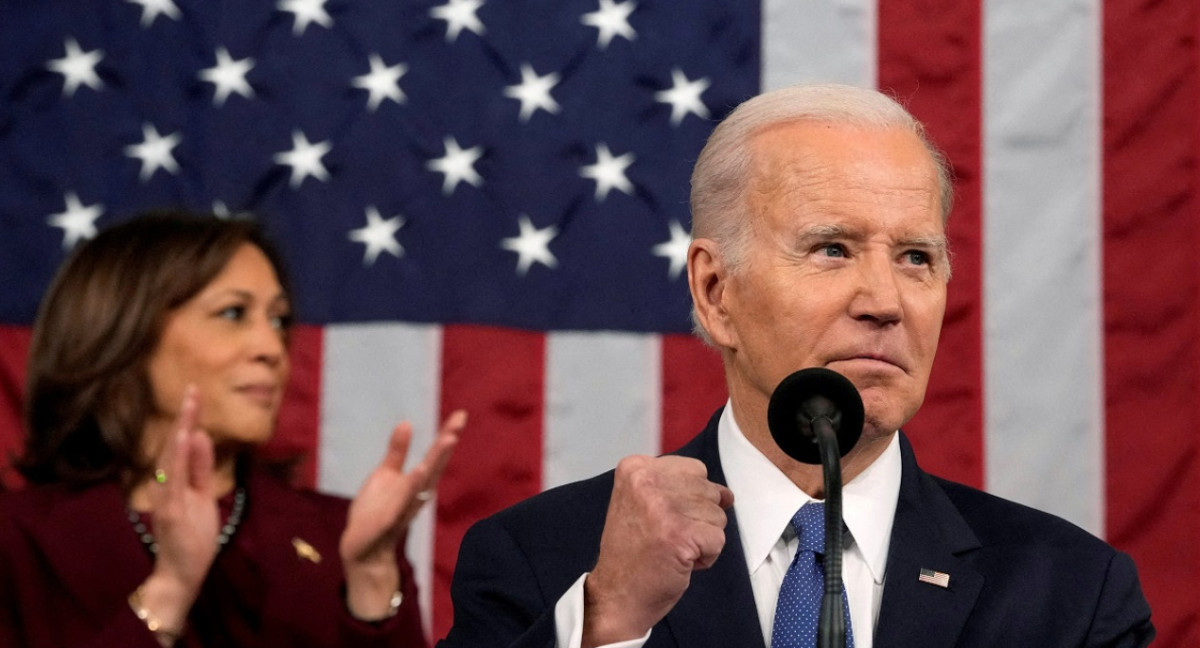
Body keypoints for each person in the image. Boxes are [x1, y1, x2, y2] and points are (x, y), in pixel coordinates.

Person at [438, 84, 1155, 648]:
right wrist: (609, 624)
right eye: (832, 249)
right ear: (716, 294)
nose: (885, 302)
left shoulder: (1069, 593)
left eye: (916, 258)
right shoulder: (543, 560)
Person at [0, 212, 466, 647]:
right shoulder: (19, 542)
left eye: (278, 319)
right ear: (123, 332)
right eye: (233, 314)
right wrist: (169, 592)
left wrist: (371, 578)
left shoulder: (341, 537)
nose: (273, 347)